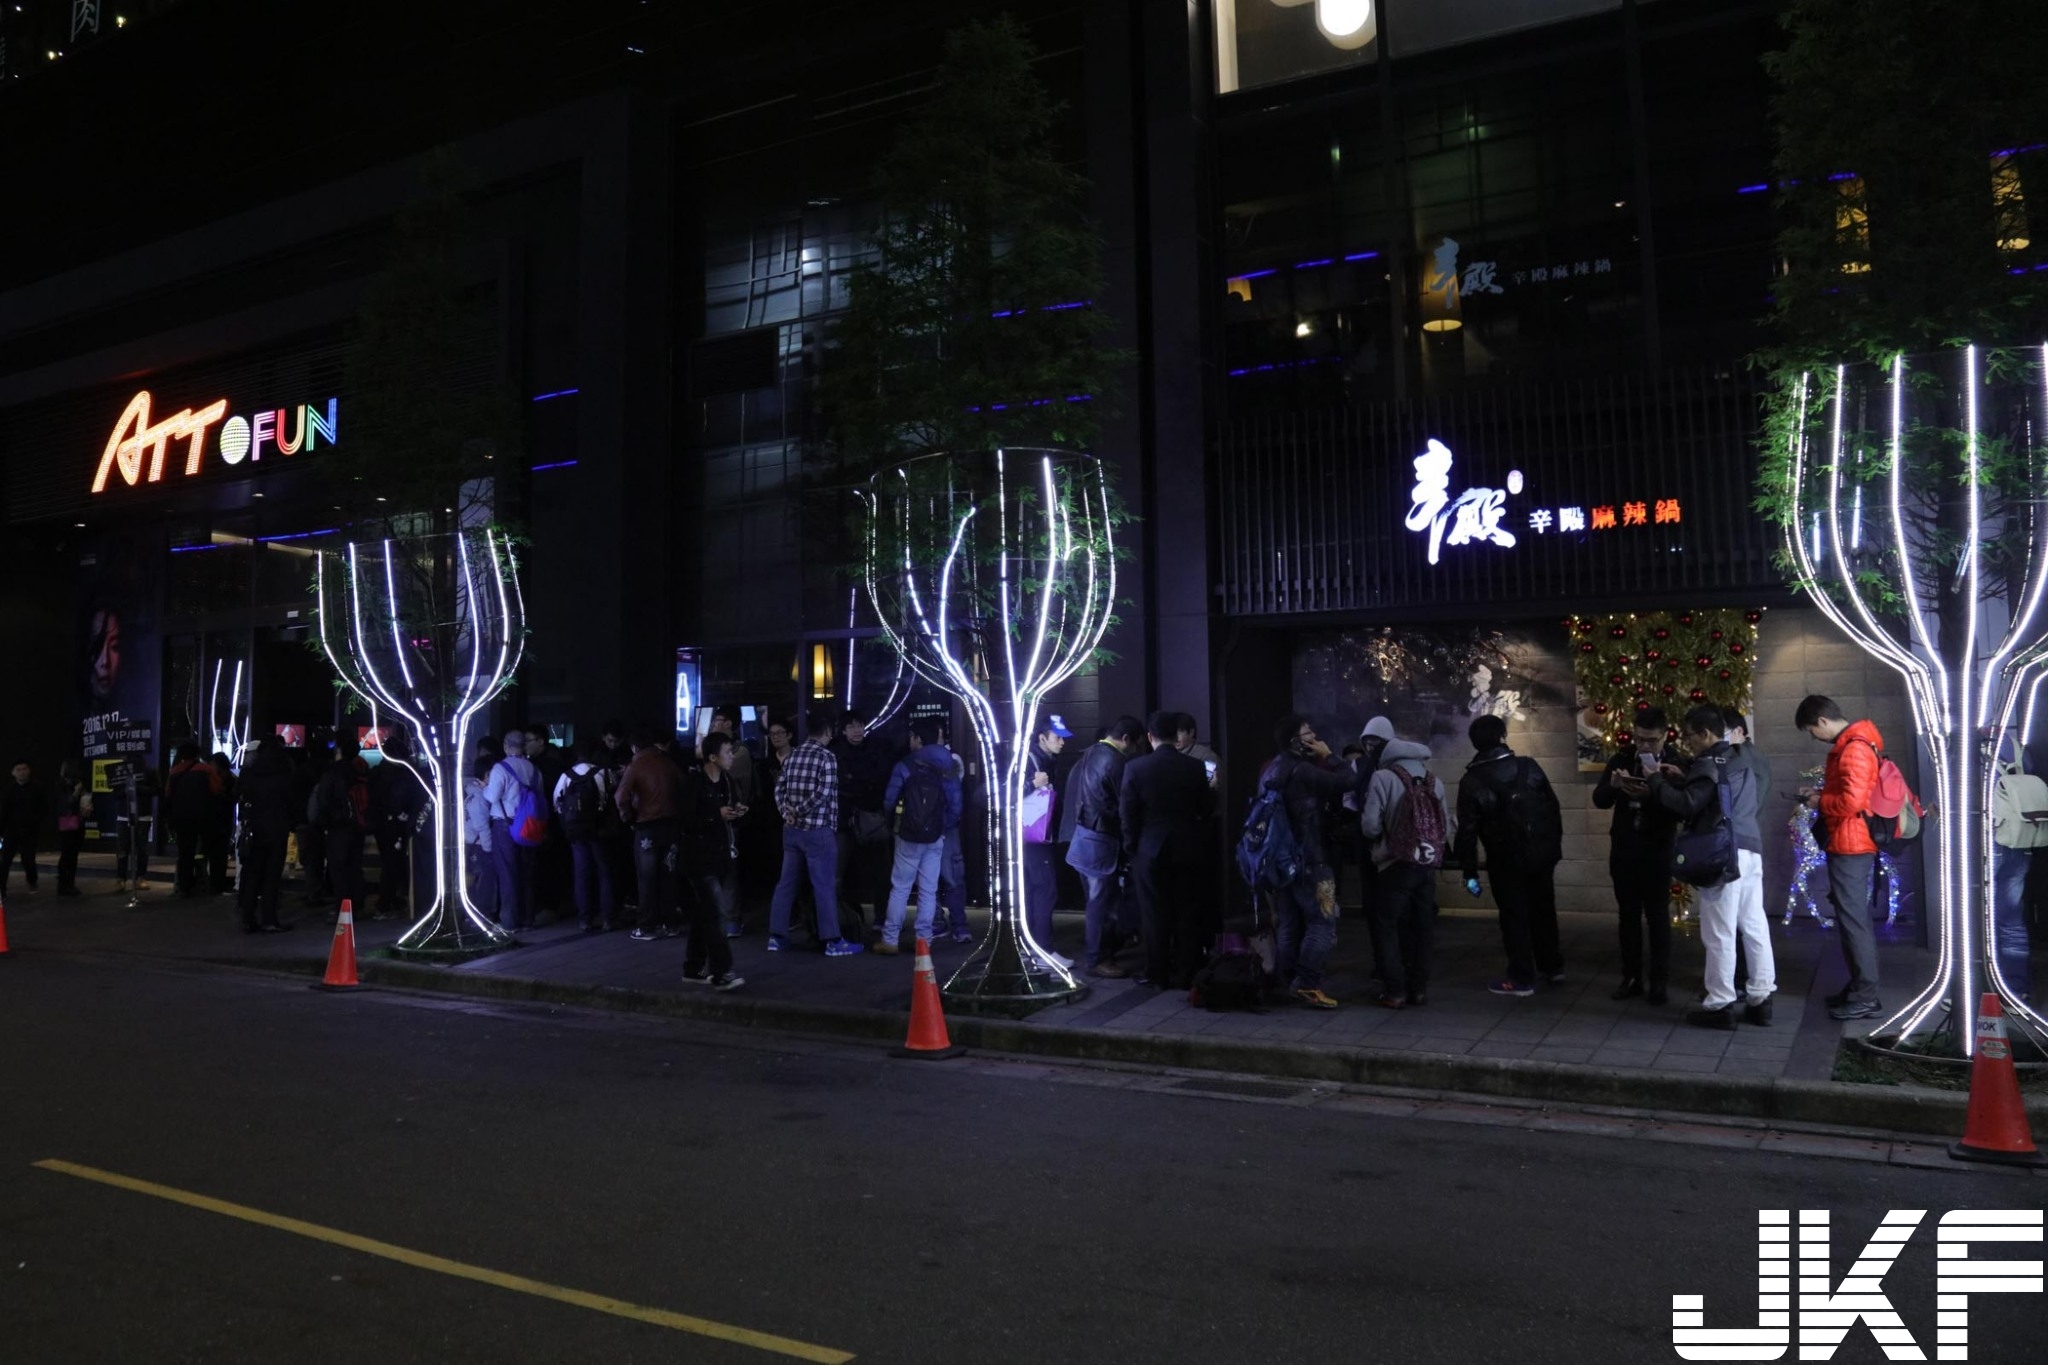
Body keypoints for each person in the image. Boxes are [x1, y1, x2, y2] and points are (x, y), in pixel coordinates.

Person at [1652, 704, 1775, 1030]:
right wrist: (1687, 778)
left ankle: (1719, 1004)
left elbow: (1688, 804)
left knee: (1719, 932)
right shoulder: (1739, 759)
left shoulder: (1709, 763)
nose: (1688, 743)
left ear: (1706, 733)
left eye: (1689, 736)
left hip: (1723, 854)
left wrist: (1655, 781)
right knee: (1754, 925)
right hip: (1751, 849)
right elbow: (1721, 794)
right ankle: (1761, 999)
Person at [1455, 714, 1566, 997]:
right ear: (1502, 736)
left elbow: (1467, 832)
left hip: (1505, 859)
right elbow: (1553, 808)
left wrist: (1469, 873)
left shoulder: (1471, 781)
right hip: (1541, 855)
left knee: (1514, 915)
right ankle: (1552, 967)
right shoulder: (1529, 766)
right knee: (1544, 909)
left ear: (1475, 743)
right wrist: (1553, 848)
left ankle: (1521, 978)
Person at [1258, 714, 1363, 1009]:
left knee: (1290, 922)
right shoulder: (1302, 770)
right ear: (1296, 741)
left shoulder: (1271, 769)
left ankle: (1287, 980)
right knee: (1322, 923)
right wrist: (1329, 756)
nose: (1314, 737)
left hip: (1282, 861)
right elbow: (1348, 781)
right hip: (1311, 859)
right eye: (1308, 734)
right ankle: (1307, 983)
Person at [1794, 695, 1886, 1020]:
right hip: (1848, 841)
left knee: (1853, 921)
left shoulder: (1854, 748)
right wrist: (1821, 796)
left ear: (1822, 721)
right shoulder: (1853, 744)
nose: (1814, 737)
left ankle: (1866, 995)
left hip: (1852, 844)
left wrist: (1819, 802)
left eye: (1811, 731)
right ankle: (1859, 988)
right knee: (1851, 919)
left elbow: (1852, 802)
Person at [1591, 707, 1683, 1005]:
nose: (1644, 746)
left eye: (1651, 740)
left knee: (1658, 917)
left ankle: (1659, 982)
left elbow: (1682, 807)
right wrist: (1615, 786)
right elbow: (1599, 799)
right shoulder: (1621, 759)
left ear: (1665, 736)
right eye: (1639, 739)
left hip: (1658, 849)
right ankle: (1631, 977)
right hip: (1625, 848)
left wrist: (1654, 793)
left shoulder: (1675, 763)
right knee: (1627, 916)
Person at [1358, 724, 1452, 1009]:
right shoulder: (1435, 781)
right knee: (1423, 927)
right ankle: (1419, 989)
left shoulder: (1383, 777)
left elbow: (1370, 826)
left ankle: (1395, 991)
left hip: (1394, 864)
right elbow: (1445, 828)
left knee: (1386, 926)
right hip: (1425, 866)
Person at [1120, 710, 1215, 990]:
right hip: (1189, 847)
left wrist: (1132, 848)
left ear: (1150, 737)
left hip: (1150, 849)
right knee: (1187, 911)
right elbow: (1205, 808)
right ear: (1176, 736)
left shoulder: (1135, 768)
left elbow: (1128, 814)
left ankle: (1157, 973)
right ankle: (1186, 972)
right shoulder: (1195, 767)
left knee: (1154, 913)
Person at [768, 713, 863, 956]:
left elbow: (779, 789)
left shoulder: (792, 755)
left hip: (791, 830)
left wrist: (787, 812)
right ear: (828, 732)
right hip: (818, 830)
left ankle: (777, 937)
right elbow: (824, 793)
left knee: (786, 884)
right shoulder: (827, 757)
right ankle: (832, 940)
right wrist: (799, 810)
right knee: (824, 885)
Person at [1065, 715, 1145, 977]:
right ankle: (1097, 959)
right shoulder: (1115, 761)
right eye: (1136, 745)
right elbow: (1124, 806)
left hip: (1084, 837)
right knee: (1102, 905)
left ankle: (1101, 953)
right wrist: (1131, 841)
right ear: (1126, 739)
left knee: (1097, 902)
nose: (1135, 752)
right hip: (1101, 842)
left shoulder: (1091, 753)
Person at [875, 717, 963, 952]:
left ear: (918, 739)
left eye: (912, 737)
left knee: (900, 887)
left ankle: (890, 939)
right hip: (935, 835)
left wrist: (894, 824)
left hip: (908, 835)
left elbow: (889, 800)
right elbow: (956, 804)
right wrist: (942, 826)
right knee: (928, 889)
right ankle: (924, 941)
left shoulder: (905, 765)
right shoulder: (948, 765)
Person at [676, 731, 745, 988]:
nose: (731, 757)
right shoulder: (694, 783)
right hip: (698, 857)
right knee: (716, 913)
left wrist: (737, 812)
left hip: (720, 855)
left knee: (703, 915)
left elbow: (729, 813)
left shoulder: (726, 781)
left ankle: (693, 968)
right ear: (712, 757)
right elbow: (685, 820)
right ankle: (721, 971)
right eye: (727, 753)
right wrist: (716, 815)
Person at [616, 726, 685, 941]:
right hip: (671, 826)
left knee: (647, 879)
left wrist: (628, 818)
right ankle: (670, 923)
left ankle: (647, 927)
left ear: (634, 747)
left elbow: (621, 797)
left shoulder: (635, 765)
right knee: (669, 876)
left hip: (646, 827)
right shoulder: (668, 762)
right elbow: (684, 786)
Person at [830, 710, 895, 934]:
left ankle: (881, 917)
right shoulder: (835, 752)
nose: (857, 731)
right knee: (837, 873)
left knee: (882, 871)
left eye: (860, 726)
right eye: (852, 727)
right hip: (845, 820)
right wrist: (863, 784)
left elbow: (881, 778)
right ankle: (838, 917)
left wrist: (854, 782)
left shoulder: (876, 748)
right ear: (843, 730)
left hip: (870, 818)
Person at [554, 736, 619, 933]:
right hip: (600, 830)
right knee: (605, 872)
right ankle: (608, 918)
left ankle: (584, 919)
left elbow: (557, 802)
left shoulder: (566, 776)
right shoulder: (603, 773)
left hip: (576, 832)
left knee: (581, 873)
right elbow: (613, 797)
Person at [1022, 715, 1072, 963]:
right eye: (1057, 737)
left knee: (1035, 890)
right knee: (1045, 890)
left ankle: (1032, 948)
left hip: (1034, 836)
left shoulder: (1046, 760)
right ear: (1042, 738)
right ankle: (1042, 949)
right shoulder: (1031, 761)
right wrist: (1033, 784)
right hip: (1033, 838)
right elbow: (1001, 793)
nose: (1062, 742)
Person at [484, 729, 543, 932]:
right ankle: (528, 919)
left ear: (506, 746)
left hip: (505, 825)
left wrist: (484, 787)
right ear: (523, 746)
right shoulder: (534, 769)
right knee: (527, 873)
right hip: (529, 826)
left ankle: (509, 922)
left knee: (507, 873)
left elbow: (492, 797)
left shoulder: (500, 768)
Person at [369, 733, 430, 921]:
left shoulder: (378, 772)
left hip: (382, 824)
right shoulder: (402, 775)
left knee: (390, 863)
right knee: (393, 864)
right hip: (396, 825)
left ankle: (391, 901)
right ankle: (387, 903)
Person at [236, 736, 294, 932]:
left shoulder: (251, 773)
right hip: (277, 828)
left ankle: (248, 917)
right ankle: (269, 918)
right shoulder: (283, 773)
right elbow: (290, 801)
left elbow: (241, 796)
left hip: (255, 829)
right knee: (272, 875)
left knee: (253, 873)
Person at [312, 738, 370, 918]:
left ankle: (343, 909)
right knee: (354, 866)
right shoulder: (360, 769)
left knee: (339, 869)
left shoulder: (333, 772)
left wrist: (324, 822)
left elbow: (324, 801)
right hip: (357, 824)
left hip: (338, 826)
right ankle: (357, 905)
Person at [165, 744, 223, 898]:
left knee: (185, 853)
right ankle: (204, 883)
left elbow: (168, 795)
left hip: (181, 819)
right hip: (204, 818)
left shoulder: (174, 771)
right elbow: (217, 789)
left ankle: (184, 887)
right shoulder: (206, 769)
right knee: (203, 851)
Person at [1, 761, 49, 896]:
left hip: (29, 831)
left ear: (29, 771)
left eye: (24, 769)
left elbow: (44, 808)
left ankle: (32, 881)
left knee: (28, 859)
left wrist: (37, 823)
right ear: (13, 773)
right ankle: (2, 888)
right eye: (18, 770)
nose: (21, 772)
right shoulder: (9, 790)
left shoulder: (37, 788)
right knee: (5, 860)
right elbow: (4, 811)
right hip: (12, 830)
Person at [464, 754, 498, 918]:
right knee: (483, 882)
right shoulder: (479, 797)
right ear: (486, 775)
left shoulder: (472, 793)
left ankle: (474, 916)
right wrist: (489, 849)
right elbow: (482, 827)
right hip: (479, 846)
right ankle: (481, 916)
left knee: (474, 882)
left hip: (472, 843)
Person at [52, 760, 90, 897]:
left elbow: (85, 799)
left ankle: (70, 883)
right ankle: (63, 884)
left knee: (74, 855)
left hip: (79, 822)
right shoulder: (60, 786)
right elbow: (66, 803)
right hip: (66, 824)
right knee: (66, 854)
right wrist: (76, 792)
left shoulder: (79, 783)